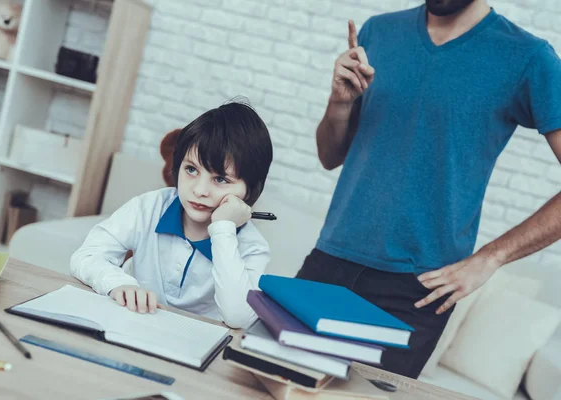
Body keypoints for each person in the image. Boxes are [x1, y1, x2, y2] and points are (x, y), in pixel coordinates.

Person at [298, 0, 561, 378]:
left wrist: (491, 257)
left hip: (415, 290)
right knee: (269, 384)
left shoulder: (529, 58)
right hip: (329, 261)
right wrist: (340, 103)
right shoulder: (379, 32)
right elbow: (329, 155)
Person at [70, 101, 274, 329]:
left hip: (198, 345)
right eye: (191, 170)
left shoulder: (252, 247)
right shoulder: (150, 207)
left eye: (220, 179)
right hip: (131, 326)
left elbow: (239, 317)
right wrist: (118, 283)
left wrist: (223, 229)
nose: (199, 190)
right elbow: (86, 256)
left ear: (250, 189)